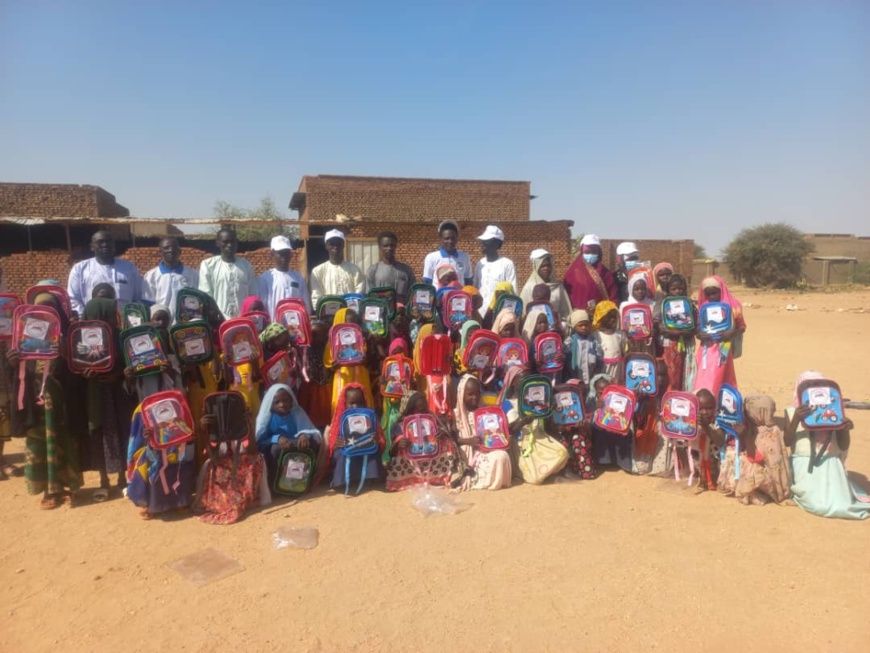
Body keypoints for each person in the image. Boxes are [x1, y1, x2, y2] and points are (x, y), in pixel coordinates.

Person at [11, 291, 83, 508]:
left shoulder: (69, 336)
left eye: (50, 308)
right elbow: (17, 374)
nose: (45, 314)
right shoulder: (23, 338)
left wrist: (66, 355)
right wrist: (13, 362)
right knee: (39, 443)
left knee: (65, 442)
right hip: (37, 402)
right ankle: (48, 491)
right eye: (40, 309)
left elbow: (79, 369)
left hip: (62, 402)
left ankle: (67, 487)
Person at [785, 371, 870, 519]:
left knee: (841, 504)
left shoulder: (834, 412)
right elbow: (787, 441)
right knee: (817, 504)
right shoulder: (792, 412)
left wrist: (844, 429)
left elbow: (843, 446)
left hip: (831, 463)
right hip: (804, 464)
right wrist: (796, 420)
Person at [196, 401, 270, 525]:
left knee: (257, 459)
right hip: (222, 465)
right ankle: (223, 502)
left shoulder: (242, 426)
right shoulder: (216, 427)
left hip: (242, 465)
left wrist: (249, 425)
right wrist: (205, 430)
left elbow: (252, 451)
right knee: (210, 465)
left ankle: (246, 499)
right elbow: (213, 456)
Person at [717, 394, 791, 506]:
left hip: (768, 473)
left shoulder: (769, 433)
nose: (746, 415)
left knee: (746, 464)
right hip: (764, 470)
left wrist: (745, 435)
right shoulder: (758, 428)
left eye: (748, 413)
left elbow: (762, 458)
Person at [386, 390, 464, 491]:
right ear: (408, 409)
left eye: (424, 410)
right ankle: (407, 480)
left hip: (432, 459)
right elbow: (391, 453)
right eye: (417, 410)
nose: (421, 414)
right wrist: (398, 443)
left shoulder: (432, 419)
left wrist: (441, 434)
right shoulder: (400, 425)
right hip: (411, 464)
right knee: (400, 448)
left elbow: (447, 436)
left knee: (447, 443)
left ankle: (441, 477)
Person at [255, 383, 323, 488]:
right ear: (270, 404)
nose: (282, 404)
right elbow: (260, 440)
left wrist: (304, 435)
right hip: (279, 448)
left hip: (296, 445)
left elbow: (311, 430)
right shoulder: (268, 417)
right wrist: (277, 438)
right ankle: (276, 484)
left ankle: (303, 480)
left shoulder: (297, 412)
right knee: (275, 449)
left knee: (311, 443)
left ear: (292, 401)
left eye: (285, 400)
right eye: (277, 402)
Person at [454, 374, 511, 490]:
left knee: (502, 455)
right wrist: (468, 441)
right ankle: (484, 481)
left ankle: (499, 482)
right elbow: (452, 440)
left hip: (487, 449)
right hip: (467, 455)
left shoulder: (486, 412)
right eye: (470, 394)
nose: (474, 397)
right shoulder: (455, 415)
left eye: (477, 393)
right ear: (461, 395)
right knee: (498, 458)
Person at [67, 229, 143, 317]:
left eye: (108, 241)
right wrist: (86, 317)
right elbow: (73, 299)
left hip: (125, 322)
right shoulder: (80, 269)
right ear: (92, 247)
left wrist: (132, 318)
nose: (105, 245)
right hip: (93, 322)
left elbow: (138, 297)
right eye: (100, 242)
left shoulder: (129, 268)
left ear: (114, 245)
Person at [692, 276, 745, 397]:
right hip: (706, 350)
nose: (711, 297)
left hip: (724, 349)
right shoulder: (703, 307)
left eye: (714, 293)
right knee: (703, 378)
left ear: (721, 290)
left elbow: (741, 326)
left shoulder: (733, 306)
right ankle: (704, 405)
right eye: (708, 294)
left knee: (721, 378)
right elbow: (698, 329)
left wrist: (731, 333)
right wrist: (701, 335)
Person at [198, 227, 257, 319]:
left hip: (243, 321)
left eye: (232, 242)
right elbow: (206, 296)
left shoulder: (246, 266)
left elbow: (252, 295)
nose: (229, 245)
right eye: (225, 242)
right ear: (217, 243)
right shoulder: (208, 265)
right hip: (218, 321)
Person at [654, 273, 697, 392]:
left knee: (685, 374)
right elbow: (660, 326)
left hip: (686, 346)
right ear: (668, 290)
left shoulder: (690, 305)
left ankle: (683, 397)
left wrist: (683, 332)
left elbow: (695, 327)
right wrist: (670, 331)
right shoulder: (664, 305)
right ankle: (670, 399)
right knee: (671, 374)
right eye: (674, 289)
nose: (677, 291)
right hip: (670, 346)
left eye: (680, 288)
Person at [141, 237, 199, 322]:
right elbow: (148, 303)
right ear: (160, 252)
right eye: (166, 248)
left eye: (174, 247)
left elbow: (196, 302)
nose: (171, 250)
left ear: (180, 251)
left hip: (185, 325)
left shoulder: (192, 274)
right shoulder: (151, 276)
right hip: (160, 325)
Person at [258, 235, 311, 318]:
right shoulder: (265, 278)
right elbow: (262, 306)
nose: (284, 257)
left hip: (296, 327)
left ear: (290, 254)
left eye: (286, 253)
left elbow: (306, 305)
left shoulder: (298, 278)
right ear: (272, 254)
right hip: (274, 327)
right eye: (281, 254)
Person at [309, 229, 365, 307]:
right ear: (326, 246)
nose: (335, 247)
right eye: (332, 244)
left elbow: (359, 294)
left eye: (339, 244)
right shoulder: (318, 271)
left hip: (349, 314)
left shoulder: (355, 270)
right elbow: (316, 296)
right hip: (328, 316)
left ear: (343, 245)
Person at [563, 234, 617, 313]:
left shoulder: (605, 273)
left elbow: (612, 297)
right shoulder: (572, 272)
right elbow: (565, 297)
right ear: (581, 251)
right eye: (587, 252)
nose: (591, 254)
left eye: (594, 252)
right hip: (579, 319)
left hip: (600, 317)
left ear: (599, 253)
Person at [473, 225, 517, 317]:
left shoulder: (507, 264)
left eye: (486, 242)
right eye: (482, 241)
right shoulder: (480, 264)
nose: (483, 244)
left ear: (496, 244)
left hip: (498, 314)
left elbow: (512, 293)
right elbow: (476, 289)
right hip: (480, 314)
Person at [520, 249, 572, 323]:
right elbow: (524, 314)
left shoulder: (558, 287)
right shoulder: (529, 287)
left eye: (548, 265)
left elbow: (566, 312)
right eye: (542, 266)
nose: (546, 268)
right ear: (536, 267)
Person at [422, 220, 473, 290]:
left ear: (457, 238)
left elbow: (468, 281)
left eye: (453, 238)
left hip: (459, 299)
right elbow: (427, 282)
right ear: (440, 238)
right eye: (446, 238)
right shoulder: (431, 257)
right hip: (438, 299)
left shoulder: (464, 257)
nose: (450, 241)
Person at [366, 231, 416, 303]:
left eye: (392, 245)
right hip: (380, 312)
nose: (389, 248)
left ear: (395, 246)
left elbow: (413, 294)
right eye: (385, 245)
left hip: (401, 312)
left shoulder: (406, 270)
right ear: (380, 247)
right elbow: (369, 296)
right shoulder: (373, 270)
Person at [566, 309, 600, 387]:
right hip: (575, 375)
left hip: (590, 374)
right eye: (580, 325)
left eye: (586, 325)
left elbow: (598, 355)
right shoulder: (570, 341)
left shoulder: (592, 340)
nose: (584, 327)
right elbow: (566, 356)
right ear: (574, 326)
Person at [592, 300, 624, 380]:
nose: (612, 319)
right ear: (601, 317)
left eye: (614, 316)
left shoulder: (620, 334)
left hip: (618, 368)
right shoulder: (596, 335)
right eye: (609, 317)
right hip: (604, 367)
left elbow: (624, 351)